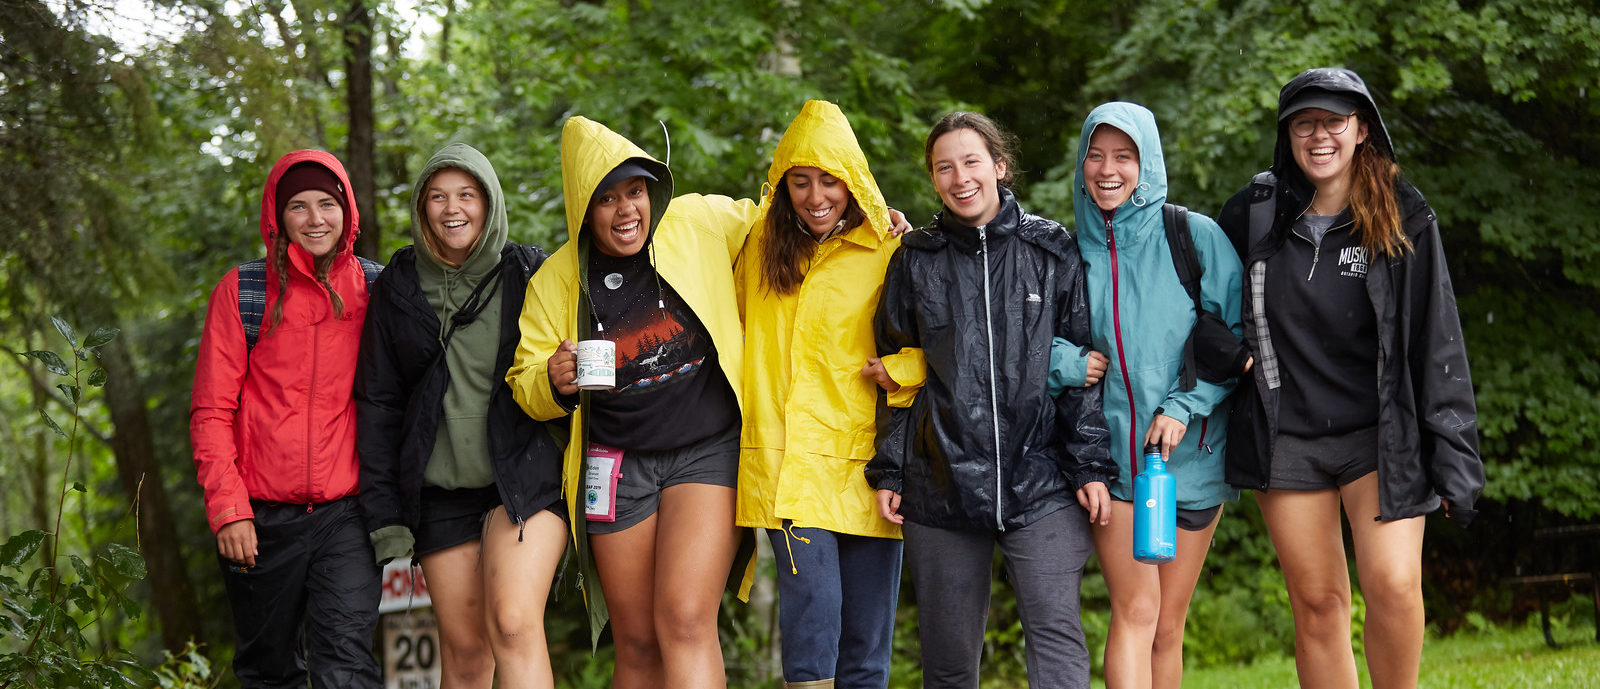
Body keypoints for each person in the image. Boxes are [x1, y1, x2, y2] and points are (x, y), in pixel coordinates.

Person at [1215, 67, 1485, 689]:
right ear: (1287, 135)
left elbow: (1436, 339)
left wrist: (1455, 456)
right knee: (1317, 605)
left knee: (1392, 584)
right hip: (1287, 440)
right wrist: (1224, 351)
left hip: (1379, 436)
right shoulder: (1252, 214)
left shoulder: (1402, 213)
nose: (1319, 136)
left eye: (1334, 122)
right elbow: (1205, 307)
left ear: (1361, 129)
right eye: (1304, 124)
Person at [505, 115, 760, 689]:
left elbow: (777, 223)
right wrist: (552, 379)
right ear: (584, 208)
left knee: (687, 621)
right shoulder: (556, 281)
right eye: (607, 199)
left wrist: (862, 218)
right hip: (614, 466)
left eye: (636, 192)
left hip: (706, 453)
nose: (626, 211)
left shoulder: (696, 223)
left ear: (654, 193)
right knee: (638, 640)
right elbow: (524, 382)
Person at [867, 111, 1116, 689]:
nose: (960, 178)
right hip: (941, 484)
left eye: (972, 162)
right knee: (950, 663)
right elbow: (897, 376)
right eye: (944, 167)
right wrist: (890, 470)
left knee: (1056, 642)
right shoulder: (914, 260)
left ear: (1000, 167)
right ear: (933, 179)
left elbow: (1082, 370)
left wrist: (1091, 466)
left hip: (1044, 480)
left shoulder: (1052, 250)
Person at [355, 143, 567, 689]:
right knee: (468, 655)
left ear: (489, 201)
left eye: (467, 194)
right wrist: (387, 517)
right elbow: (379, 405)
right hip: (440, 495)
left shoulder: (530, 272)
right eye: (438, 196)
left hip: (521, 479)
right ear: (422, 208)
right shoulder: (397, 285)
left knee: (515, 626)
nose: (454, 208)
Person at [1048, 102, 1244, 689]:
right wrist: (1067, 363)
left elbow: (1238, 342)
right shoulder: (1063, 252)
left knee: (1167, 625)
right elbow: (1023, 340)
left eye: (1124, 156)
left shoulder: (1193, 236)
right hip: (1109, 463)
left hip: (1191, 461)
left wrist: (1185, 407)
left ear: (1147, 162)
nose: (1108, 170)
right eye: (1096, 156)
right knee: (1136, 611)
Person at [734, 100, 920, 689]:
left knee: (867, 649)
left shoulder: (891, 250)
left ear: (853, 181)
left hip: (873, 469)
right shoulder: (755, 249)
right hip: (793, 471)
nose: (816, 196)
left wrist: (904, 372)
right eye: (800, 181)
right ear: (782, 184)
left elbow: (934, 342)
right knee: (813, 640)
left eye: (830, 180)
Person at [189, 150, 382, 689]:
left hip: (348, 515)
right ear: (277, 216)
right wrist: (229, 510)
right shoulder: (243, 292)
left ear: (348, 212)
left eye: (327, 203)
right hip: (260, 520)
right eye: (299, 206)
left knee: (345, 666)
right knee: (269, 670)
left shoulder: (376, 288)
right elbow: (211, 410)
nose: (316, 218)